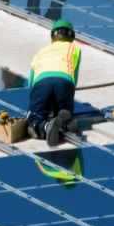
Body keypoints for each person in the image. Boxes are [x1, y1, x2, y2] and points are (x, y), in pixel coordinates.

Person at [26, 19, 81, 147]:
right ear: (72, 36)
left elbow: (31, 82)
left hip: (41, 84)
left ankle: (45, 126)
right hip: (65, 82)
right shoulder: (74, 49)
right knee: (63, 107)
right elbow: (74, 76)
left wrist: (38, 101)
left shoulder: (40, 53)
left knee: (34, 120)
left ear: (52, 36)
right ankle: (63, 116)